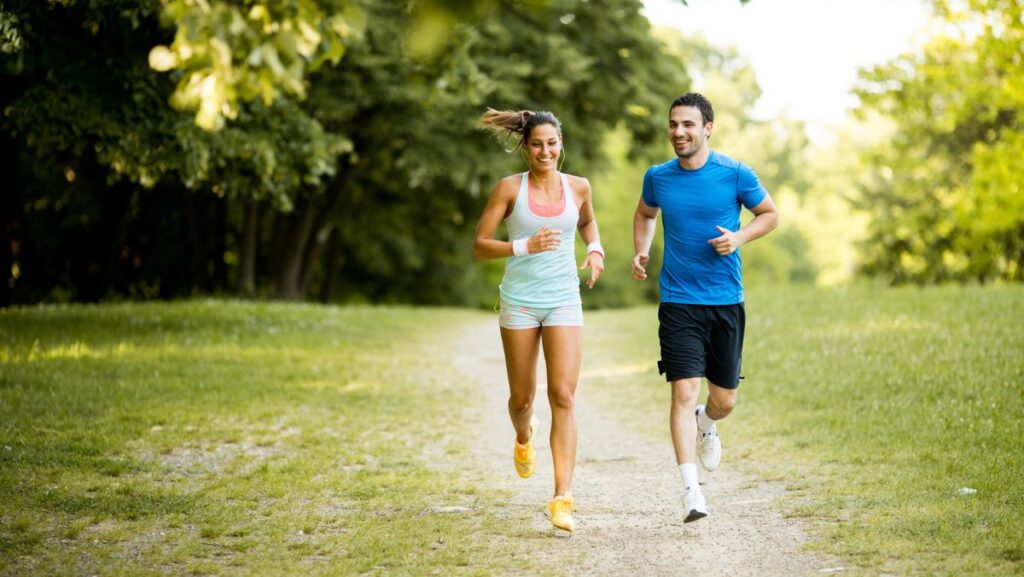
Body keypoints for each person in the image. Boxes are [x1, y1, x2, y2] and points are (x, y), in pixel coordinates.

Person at [632, 93, 778, 523]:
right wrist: (641, 250)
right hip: (678, 302)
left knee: (725, 400)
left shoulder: (734, 173)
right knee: (682, 391)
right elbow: (644, 214)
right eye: (673, 124)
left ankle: (707, 423)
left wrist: (738, 238)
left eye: (688, 125)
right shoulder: (658, 177)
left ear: (707, 127)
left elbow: (769, 214)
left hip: (725, 302)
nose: (679, 132)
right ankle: (691, 491)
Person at [473, 108, 605, 533]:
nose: (545, 151)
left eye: (552, 143)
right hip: (521, 302)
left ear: (561, 144)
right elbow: (479, 245)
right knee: (522, 399)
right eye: (536, 144)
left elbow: (585, 221)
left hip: (564, 299)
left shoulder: (579, 187)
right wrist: (523, 246)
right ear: (525, 147)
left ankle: (562, 497)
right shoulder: (509, 188)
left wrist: (596, 248)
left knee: (563, 396)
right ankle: (524, 435)